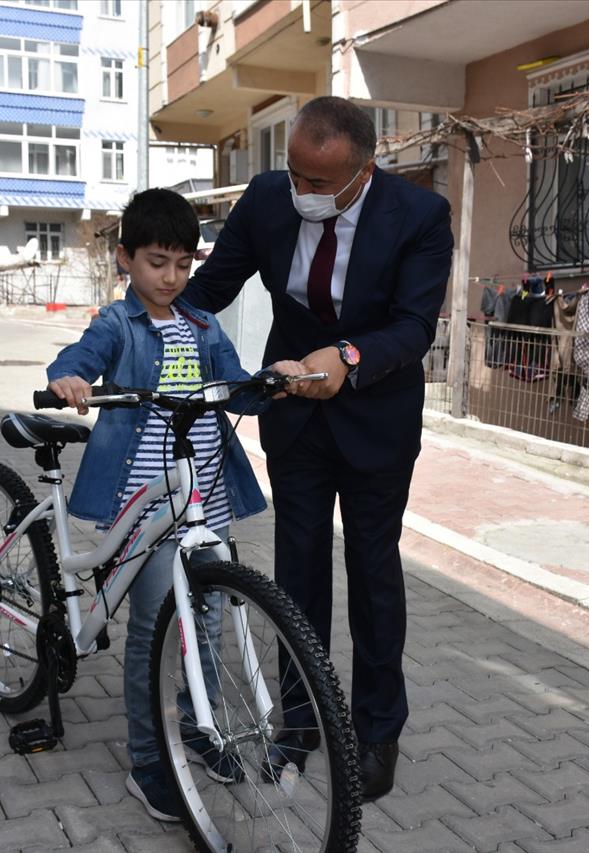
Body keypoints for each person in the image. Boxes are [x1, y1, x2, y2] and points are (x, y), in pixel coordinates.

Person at [183, 96, 454, 802]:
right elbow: (212, 286)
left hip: (375, 419)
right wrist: (137, 315)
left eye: (318, 182)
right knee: (297, 571)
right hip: (294, 419)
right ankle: (300, 722)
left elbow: (414, 326)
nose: (301, 192)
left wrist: (346, 356)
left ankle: (376, 730)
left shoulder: (419, 217)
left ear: (363, 171)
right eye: (294, 174)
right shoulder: (270, 198)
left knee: (372, 574)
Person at [45, 188, 302, 822]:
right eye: (158, 261)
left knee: (206, 622)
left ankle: (199, 730)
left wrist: (273, 381)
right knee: (154, 633)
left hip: (204, 496)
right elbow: (81, 356)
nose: (171, 277)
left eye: (184, 263)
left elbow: (236, 392)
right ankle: (150, 763)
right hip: (144, 504)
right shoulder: (117, 323)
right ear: (125, 258)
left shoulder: (204, 325)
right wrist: (70, 377)